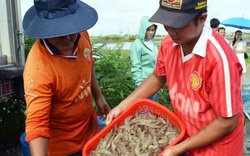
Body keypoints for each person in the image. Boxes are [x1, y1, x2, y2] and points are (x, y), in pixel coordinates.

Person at [107, 0, 244, 156]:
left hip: (218, 148)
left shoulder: (220, 60)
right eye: (166, 23)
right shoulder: (169, 44)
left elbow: (227, 122)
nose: (171, 31)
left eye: (178, 24)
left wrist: (178, 149)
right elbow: (158, 78)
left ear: (202, 19)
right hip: (188, 137)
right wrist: (123, 105)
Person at [22, 0, 111, 155]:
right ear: (44, 28)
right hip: (63, 148)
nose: (68, 38)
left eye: (70, 28)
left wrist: (98, 96)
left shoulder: (81, 34)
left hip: (91, 134)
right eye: (59, 33)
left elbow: (88, 64)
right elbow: (37, 125)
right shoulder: (38, 68)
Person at [130, 16, 158, 101]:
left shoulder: (153, 44)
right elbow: (136, 65)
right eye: (148, 30)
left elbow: (156, 63)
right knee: (143, 110)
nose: (150, 32)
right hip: (143, 82)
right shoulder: (137, 45)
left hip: (154, 81)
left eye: (152, 30)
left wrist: (158, 82)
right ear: (143, 29)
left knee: (151, 109)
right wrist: (139, 84)